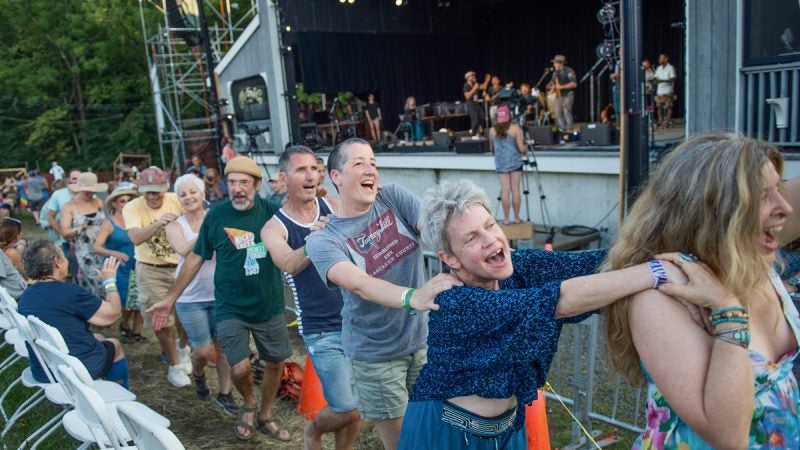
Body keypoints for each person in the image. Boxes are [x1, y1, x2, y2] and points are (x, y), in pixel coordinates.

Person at [398, 179, 690, 449]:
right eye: (472, 238)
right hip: (444, 434)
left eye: (490, 225)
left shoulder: (519, 268)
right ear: (449, 259)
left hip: (509, 431)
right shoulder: (453, 302)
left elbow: (597, 264)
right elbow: (555, 301)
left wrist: (674, 240)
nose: (491, 240)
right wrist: (656, 272)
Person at [604, 132, 800, 448]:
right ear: (711, 209)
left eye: (779, 188)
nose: (785, 208)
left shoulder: (754, 259)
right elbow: (728, 436)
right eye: (763, 196)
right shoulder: (660, 297)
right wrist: (729, 312)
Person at [305, 138, 462, 450]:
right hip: (375, 356)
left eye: (373, 162)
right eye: (359, 163)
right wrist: (412, 297)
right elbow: (360, 283)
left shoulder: (393, 197)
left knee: (436, 428)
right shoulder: (324, 240)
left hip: (421, 342)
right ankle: (312, 431)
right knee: (406, 443)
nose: (370, 170)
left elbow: (434, 231)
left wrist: (476, 243)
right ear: (336, 176)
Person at [147, 156, 292, 442]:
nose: (237, 189)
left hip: (269, 306)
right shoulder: (217, 216)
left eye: (244, 183)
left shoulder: (275, 213)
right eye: (232, 183)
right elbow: (196, 257)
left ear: (257, 185)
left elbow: (301, 231)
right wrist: (170, 298)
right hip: (230, 307)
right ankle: (248, 405)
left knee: (275, 363)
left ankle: (264, 414)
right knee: (239, 367)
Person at [260, 146, 360, 450]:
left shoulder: (332, 206)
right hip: (320, 328)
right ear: (283, 177)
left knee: (356, 409)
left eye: (314, 169)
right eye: (301, 170)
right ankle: (313, 431)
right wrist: (315, 240)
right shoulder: (273, 227)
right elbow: (288, 263)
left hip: (357, 320)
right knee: (346, 407)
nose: (310, 176)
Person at [166, 174, 239, 414]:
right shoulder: (175, 225)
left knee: (225, 348)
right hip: (190, 298)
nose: (188, 197)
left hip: (221, 295)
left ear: (203, 194)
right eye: (183, 194)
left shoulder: (218, 218)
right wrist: (210, 229)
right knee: (202, 351)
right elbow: (183, 249)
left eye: (192, 192)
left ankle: (225, 394)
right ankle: (198, 374)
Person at [18, 239, 129, 389]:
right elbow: (112, 315)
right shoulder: (70, 293)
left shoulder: (26, 295)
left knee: (100, 338)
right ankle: (118, 395)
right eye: (64, 257)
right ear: (57, 262)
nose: (67, 260)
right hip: (73, 371)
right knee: (114, 345)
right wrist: (110, 282)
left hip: (43, 370)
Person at [122, 166, 192, 388]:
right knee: (161, 319)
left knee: (187, 313)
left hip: (181, 265)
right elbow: (135, 238)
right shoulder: (132, 208)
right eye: (147, 191)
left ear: (165, 187)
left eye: (156, 191)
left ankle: (184, 348)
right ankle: (174, 364)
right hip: (151, 268)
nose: (152, 196)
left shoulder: (178, 199)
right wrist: (158, 222)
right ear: (140, 190)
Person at [93, 183, 143, 343]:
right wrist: (115, 253)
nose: (126, 203)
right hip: (119, 268)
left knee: (140, 298)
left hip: (138, 264)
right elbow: (96, 247)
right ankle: (125, 325)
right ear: (114, 203)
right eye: (122, 201)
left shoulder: (136, 219)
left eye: (129, 200)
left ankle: (137, 331)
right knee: (127, 299)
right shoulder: (108, 223)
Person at [60, 172, 108, 296]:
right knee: (92, 283)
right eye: (87, 190)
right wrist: (79, 229)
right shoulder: (70, 206)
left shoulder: (99, 202)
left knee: (107, 279)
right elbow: (64, 231)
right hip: (84, 253)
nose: (90, 193)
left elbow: (106, 223)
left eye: (92, 190)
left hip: (103, 248)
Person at [489, 105, 527, 225]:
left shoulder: (492, 131)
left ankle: (506, 219)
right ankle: (516, 218)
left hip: (501, 164)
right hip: (515, 163)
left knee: (505, 190)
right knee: (515, 189)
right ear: (508, 116)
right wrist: (526, 147)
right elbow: (521, 149)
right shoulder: (515, 129)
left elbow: (492, 150)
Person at [41, 169, 81, 282]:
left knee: (84, 272)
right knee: (67, 270)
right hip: (63, 241)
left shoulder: (89, 195)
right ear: (68, 180)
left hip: (84, 242)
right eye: (74, 178)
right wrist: (63, 232)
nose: (77, 181)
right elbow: (49, 217)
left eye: (80, 179)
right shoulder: (59, 195)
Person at [550, 54, 577, 133]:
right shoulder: (555, 73)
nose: (554, 65)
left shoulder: (569, 71)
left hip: (568, 94)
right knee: (557, 112)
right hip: (559, 95)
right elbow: (553, 83)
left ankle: (569, 130)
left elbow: (574, 84)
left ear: (561, 63)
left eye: (555, 63)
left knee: (566, 111)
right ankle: (562, 129)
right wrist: (552, 88)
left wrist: (562, 87)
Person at [654, 53, 677, 129]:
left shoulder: (670, 68)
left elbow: (673, 79)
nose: (660, 60)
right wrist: (656, 81)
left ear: (666, 59)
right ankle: (660, 122)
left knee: (669, 107)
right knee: (659, 108)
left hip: (668, 92)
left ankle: (667, 122)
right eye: (659, 58)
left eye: (661, 58)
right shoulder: (658, 68)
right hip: (659, 92)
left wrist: (663, 81)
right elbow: (655, 78)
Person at [463, 71, 490, 136]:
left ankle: (479, 133)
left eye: (474, 75)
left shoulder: (475, 84)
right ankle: (472, 133)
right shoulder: (466, 85)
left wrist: (487, 80)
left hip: (476, 103)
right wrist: (474, 88)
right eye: (472, 76)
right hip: (470, 104)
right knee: (475, 119)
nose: (474, 77)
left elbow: (483, 87)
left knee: (482, 117)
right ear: (468, 77)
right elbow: (467, 96)